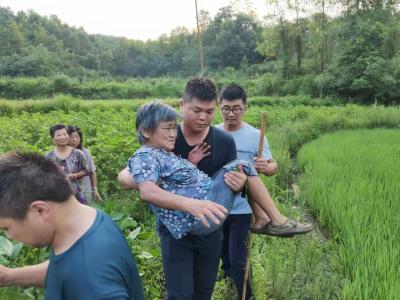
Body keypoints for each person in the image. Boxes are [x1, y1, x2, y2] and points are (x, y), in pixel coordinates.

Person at [118, 77, 247, 300]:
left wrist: (240, 183)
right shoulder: (165, 134)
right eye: (197, 110)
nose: (203, 117)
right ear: (182, 105)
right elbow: (129, 173)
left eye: (209, 111)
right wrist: (144, 180)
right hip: (175, 232)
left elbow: (228, 183)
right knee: (180, 294)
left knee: (203, 291)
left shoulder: (225, 141)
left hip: (209, 228)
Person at [127, 100, 286, 239]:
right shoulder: (144, 156)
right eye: (167, 128)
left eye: (173, 128)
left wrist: (190, 164)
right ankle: (276, 220)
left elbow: (174, 182)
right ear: (146, 131)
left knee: (241, 167)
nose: (173, 134)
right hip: (202, 213)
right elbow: (147, 192)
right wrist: (192, 204)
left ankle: (262, 218)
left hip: (206, 207)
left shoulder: (162, 153)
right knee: (243, 164)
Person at [0, 151, 144, 299]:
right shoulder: (87, 220)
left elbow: (83, 272)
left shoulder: (91, 279)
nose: (9, 236)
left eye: (6, 228)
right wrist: (8, 276)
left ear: (40, 210)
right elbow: (66, 269)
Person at [217, 84, 313, 299]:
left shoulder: (254, 135)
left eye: (236, 108)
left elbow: (272, 167)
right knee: (225, 257)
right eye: (226, 108)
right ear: (219, 108)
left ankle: (246, 295)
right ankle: (229, 287)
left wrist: (264, 166)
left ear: (245, 108)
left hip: (242, 209)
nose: (231, 113)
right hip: (218, 207)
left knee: (239, 260)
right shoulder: (213, 133)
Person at [45, 124, 88, 204]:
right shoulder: (48, 156)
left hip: (78, 196)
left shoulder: (78, 153)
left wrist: (74, 175)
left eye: (65, 134)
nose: (62, 137)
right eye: (59, 135)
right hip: (57, 196)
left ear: (68, 136)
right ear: (53, 139)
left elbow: (86, 171)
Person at [68, 126, 102, 203]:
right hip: (69, 191)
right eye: (71, 137)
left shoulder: (85, 152)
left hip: (85, 189)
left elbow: (92, 171)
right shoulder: (63, 154)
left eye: (77, 137)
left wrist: (95, 189)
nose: (75, 140)